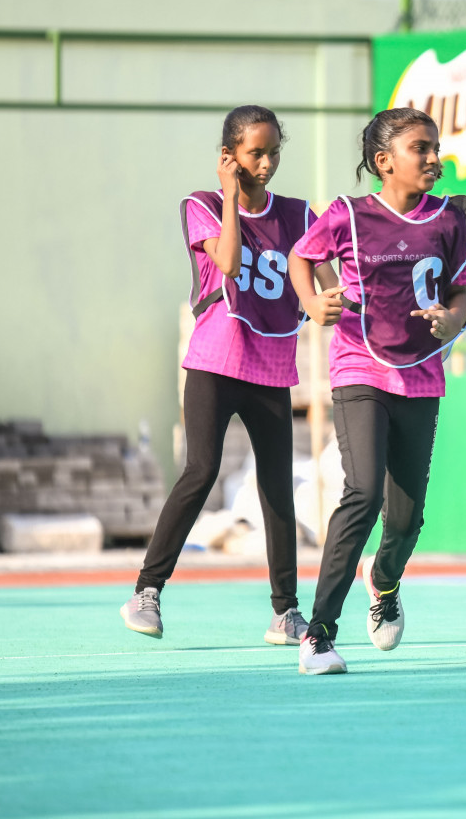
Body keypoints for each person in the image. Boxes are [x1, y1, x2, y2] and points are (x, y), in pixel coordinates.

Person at [123, 105, 321, 645]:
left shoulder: (300, 216)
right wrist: (233, 196)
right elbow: (230, 263)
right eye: (256, 152)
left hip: (272, 367)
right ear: (229, 157)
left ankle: (286, 613)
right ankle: (146, 591)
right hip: (215, 362)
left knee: (277, 486)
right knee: (201, 470)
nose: (268, 162)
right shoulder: (203, 205)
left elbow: (325, 282)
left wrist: (335, 300)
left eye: (274, 150)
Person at [287, 107, 466, 675]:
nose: (435, 159)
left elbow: (462, 293)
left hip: (421, 374)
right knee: (363, 492)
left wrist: (452, 320)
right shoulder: (345, 215)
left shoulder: (448, 220)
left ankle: (385, 580)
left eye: (436, 148)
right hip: (359, 366)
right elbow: (302, 258)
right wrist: (311, 301)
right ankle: (318, 633)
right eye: (422, 148)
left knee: (407, 517)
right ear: (383, 160)